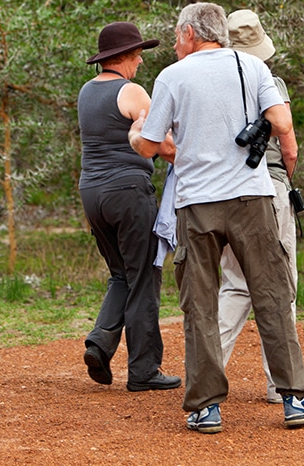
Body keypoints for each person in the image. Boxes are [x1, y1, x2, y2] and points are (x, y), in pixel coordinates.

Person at [129, 2, 304, 434]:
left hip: (196, 204)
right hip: (251, 199)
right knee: (271, 295)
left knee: (199, 304)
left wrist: (135, 130)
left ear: (190, 34)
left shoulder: (171, 77)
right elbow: (282, 120)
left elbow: (148, 146)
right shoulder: (253, 69)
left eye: (178, 35)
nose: (177, 43)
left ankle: (206, 407)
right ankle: (294, 398)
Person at [78, 22, 181, 392]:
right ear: (122, 57)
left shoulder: (86, 92)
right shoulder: (132, 91)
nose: (139, 61)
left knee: (121, 273)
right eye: (136, 54)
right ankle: (144, 370)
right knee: (143, 277)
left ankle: (100, 343)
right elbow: (163, 144)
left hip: (92, 192)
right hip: (128, 192)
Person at [217, 10, 299, 405]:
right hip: (268, 188)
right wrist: (285, 178)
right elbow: (289, 146)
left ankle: (207, 373)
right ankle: (280, 383)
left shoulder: (210, 83)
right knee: (281, 286)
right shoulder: (270, 80)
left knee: (234, 284)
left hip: (224, 193)